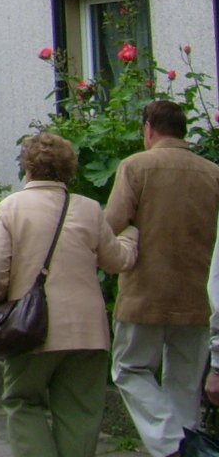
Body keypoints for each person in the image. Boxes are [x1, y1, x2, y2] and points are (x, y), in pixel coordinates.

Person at [0, 132, 139, 457]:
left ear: (28, 167)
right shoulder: (89, 208)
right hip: (87, 332)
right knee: (80, 412)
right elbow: (116, 261)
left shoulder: (9, 208)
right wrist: (132, 234)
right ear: (70, 169)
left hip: (30, 330)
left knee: (23, 401)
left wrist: (0, 298)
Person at [104, 99, 219, 457]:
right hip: (197, 296)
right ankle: (188, 443)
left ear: (149, 128)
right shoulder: (212, 172)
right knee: (184, 382)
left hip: (145, 292)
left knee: (129, 368)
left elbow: (111, 223)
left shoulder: (136, 166)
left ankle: (175, 445)